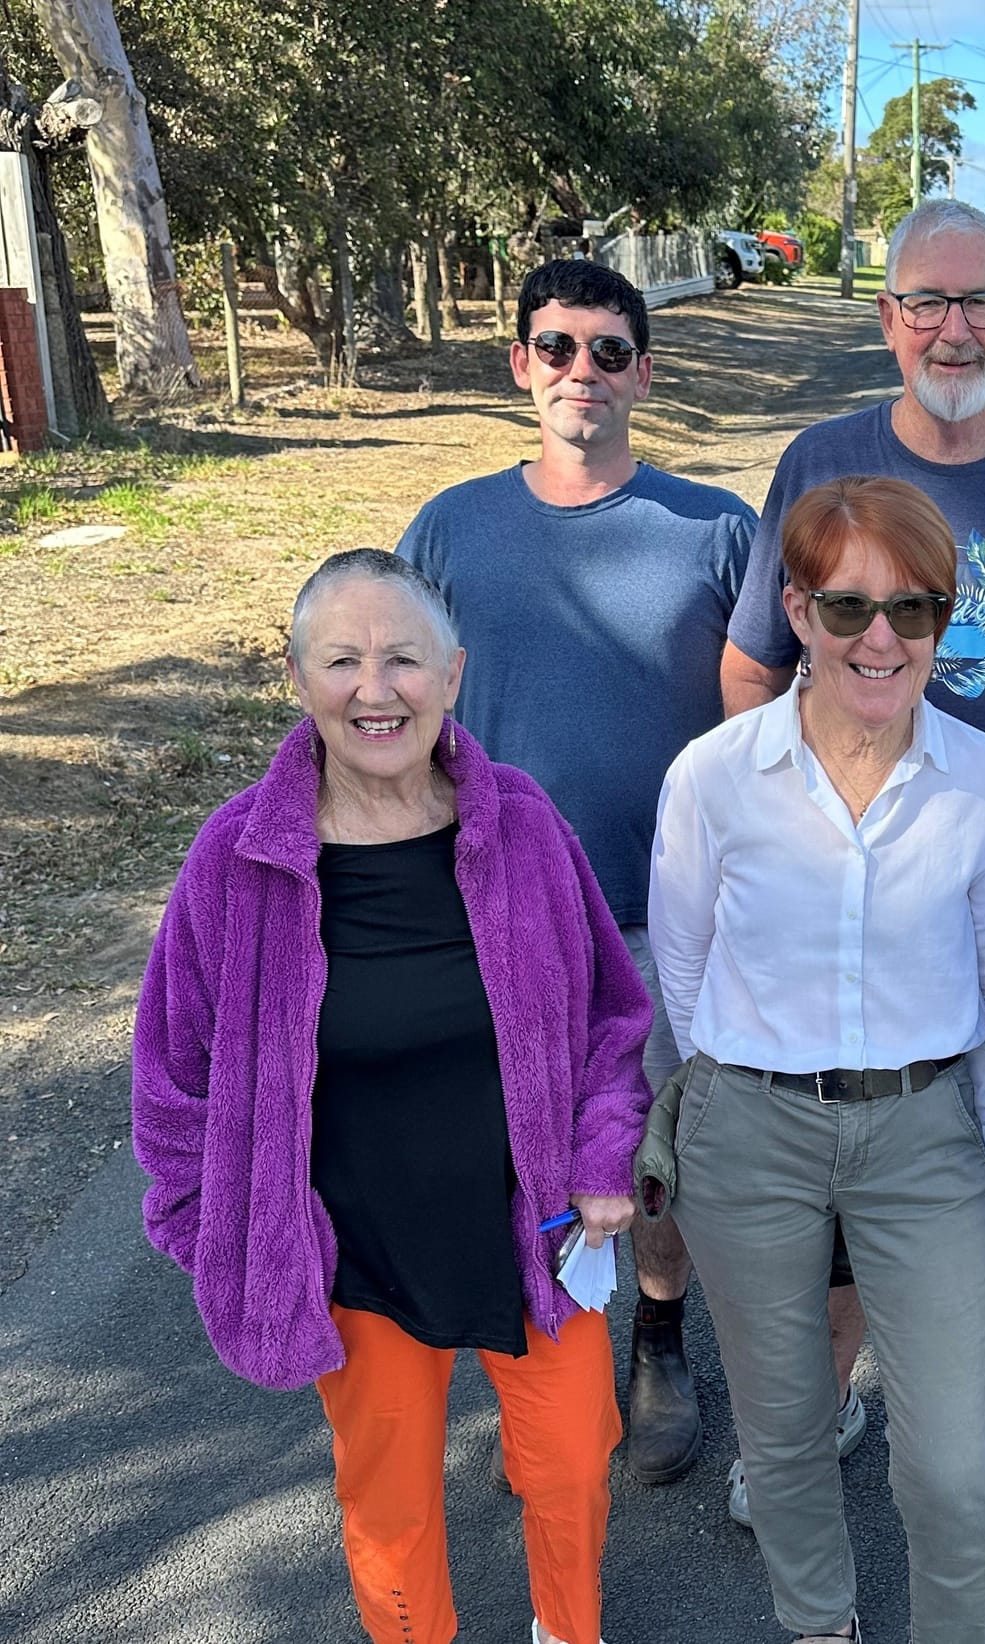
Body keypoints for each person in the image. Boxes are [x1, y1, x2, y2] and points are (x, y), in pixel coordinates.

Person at [717, 199, 985, 1528]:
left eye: (980, 302)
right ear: (887, 319)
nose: (954, 327)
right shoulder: (822, 460)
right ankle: (832, 1394)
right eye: (927, 301)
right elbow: (751, 671)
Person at [131, 550, 651, 1644]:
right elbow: (173, 1072)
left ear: (453, 676)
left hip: (532, 1229)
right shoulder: (237, 857)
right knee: (390, 1503)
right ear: (296, 677)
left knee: (570, 1469)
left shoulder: (521, 824)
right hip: (354, 1250)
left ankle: (570, 1632)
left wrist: (605, 1157)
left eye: (404, 658)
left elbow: (612, 1013)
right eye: (342, 661)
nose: (376, 690)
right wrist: (213, 1226)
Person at [400, 259, 756, 1486]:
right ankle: (544, 1367)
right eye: (556, 347)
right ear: (519, 364)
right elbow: (386, 705)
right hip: (491, 914)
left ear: (644, 372)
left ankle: (658, 1337)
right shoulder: (449, 531)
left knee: (653, 1157)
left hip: (667, 918)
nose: (581, 373)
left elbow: (770, 726)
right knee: (512, 1152)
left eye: (609, 351)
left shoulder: (716, 528)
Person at [648, 476, 985, 1644]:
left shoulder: (983, 780)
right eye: (847, 606)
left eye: (912, 612)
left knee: (952, 1465)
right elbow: (683, 959)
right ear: (797, 614)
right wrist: (740, 1083)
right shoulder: (714, 776)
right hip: (750, 1127)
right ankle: (822, 1627)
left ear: (940, 629)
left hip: (924, 1131)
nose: (879, 638)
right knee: (786, 1431)